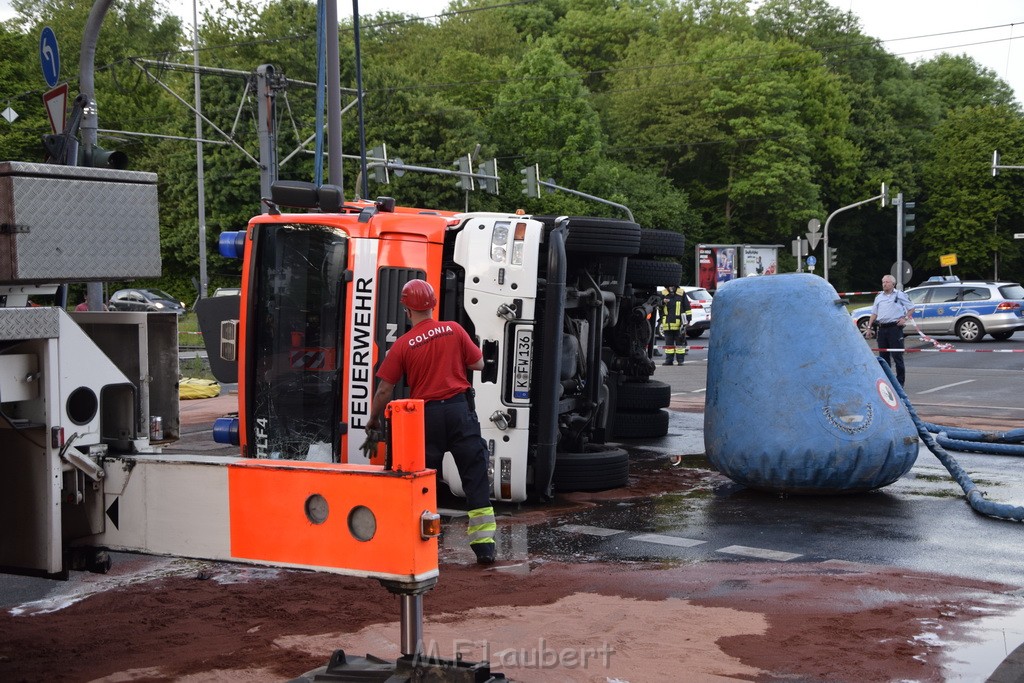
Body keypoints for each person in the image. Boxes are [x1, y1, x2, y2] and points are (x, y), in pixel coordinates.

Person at [367, 279, 497, 565]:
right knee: (474, 475)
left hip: (426, 418)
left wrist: (373, 419)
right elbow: (478, 364)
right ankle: (485, 547)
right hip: (460, 411)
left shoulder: (402, 346)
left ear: (406, 310)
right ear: (433, 304)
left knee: (425, 482)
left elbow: (384, 390)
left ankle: (427, 546)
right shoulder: (454, 329)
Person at [865, 275, 915, 387]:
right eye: (883, 282)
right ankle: (887, 382)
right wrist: (869, 327)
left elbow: (911, 308)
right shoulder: (879, 297)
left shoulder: (899, 295)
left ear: (893, 284)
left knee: (897, 356)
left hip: (894, 328)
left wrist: (905, 318)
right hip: (882, 329)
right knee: (883, 357)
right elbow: (874, 313)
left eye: (887, 282)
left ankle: (900, 383)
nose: (885, 284)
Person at [661, 286, 691, 366]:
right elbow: (658, 306)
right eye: (669, 286)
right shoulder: (663, 293)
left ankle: (680, 360)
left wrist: (688, 319)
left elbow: (687, 307)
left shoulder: (681, 293)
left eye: (672, 286)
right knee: (668, 345)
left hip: (679, 324)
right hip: (667, 324)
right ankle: (669, 360)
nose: (671, 287)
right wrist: (662, 302)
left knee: (680, 344)